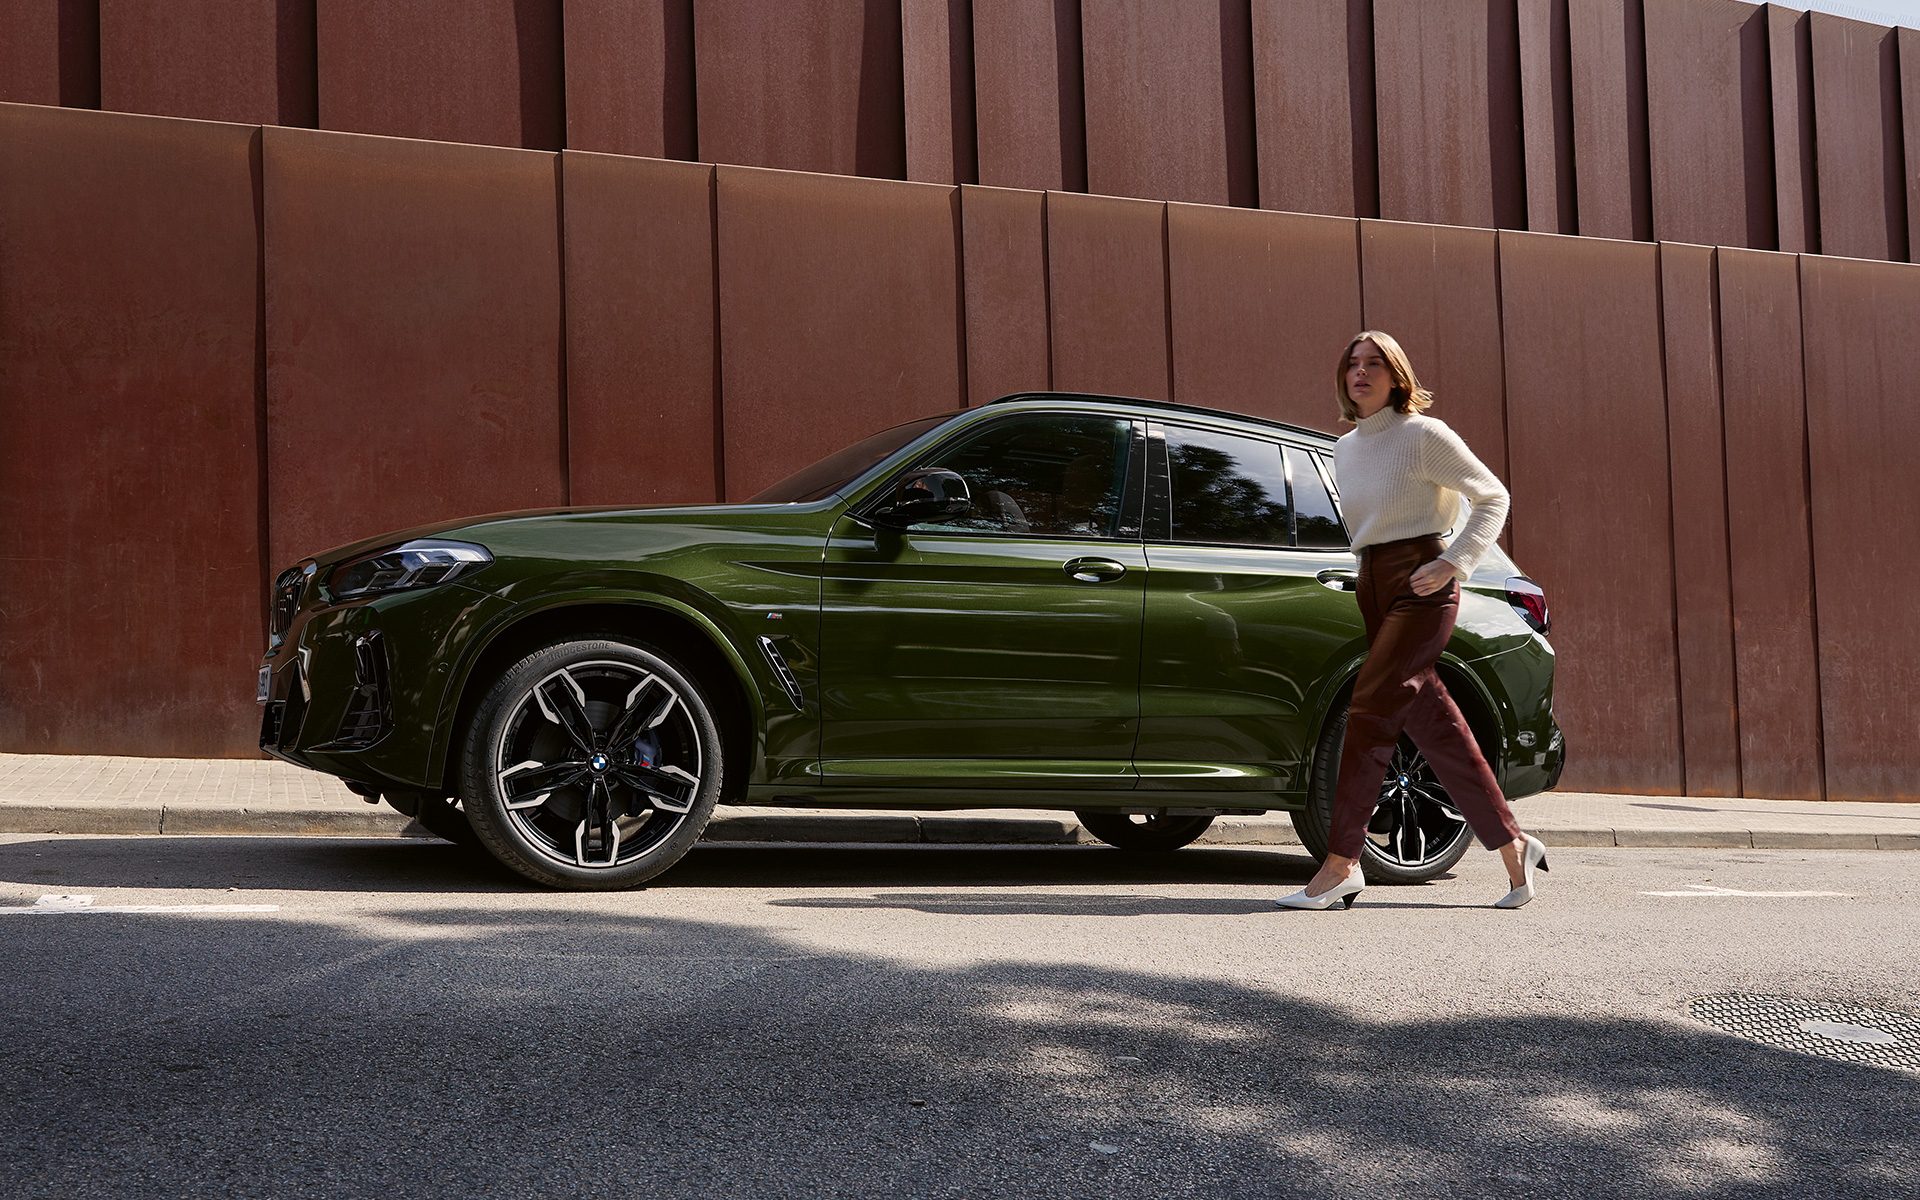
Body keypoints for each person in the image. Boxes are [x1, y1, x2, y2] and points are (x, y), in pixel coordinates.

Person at [1276, 332, 1549, 911]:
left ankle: (1341, 862)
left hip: (1422, 583)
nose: (1360, 371)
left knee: (1368, 709)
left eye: (1374, 363)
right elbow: (1369, 526)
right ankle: (1514, 845)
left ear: (1396, 375)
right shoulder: (1345, 448)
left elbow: (1492, 497)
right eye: (1352, 363)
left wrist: (1454, 562)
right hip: (1372, 582)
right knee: (1436, 726)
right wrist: (1368, 574)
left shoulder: (1424, 435)